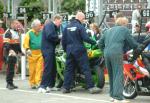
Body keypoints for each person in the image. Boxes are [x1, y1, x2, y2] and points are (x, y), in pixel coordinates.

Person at [98, 17, 138, 103]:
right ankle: (118, 97)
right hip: (116, 53)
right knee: (118, 74)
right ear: (123, 24)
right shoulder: (124, 30)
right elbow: (133, 43)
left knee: (111, 74)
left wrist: (104, 51)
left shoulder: (108, 30)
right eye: (126, 24)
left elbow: (100, 43)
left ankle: (112, 96)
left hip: (106, 53)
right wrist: (139, 47)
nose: (126, 26)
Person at [61, 11, 101, 94]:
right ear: (80, 18)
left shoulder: (67, 27)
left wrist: (66, 50)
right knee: (86, 68)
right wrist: (95, 42)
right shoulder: (80, 27)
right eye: (83, 19)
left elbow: (63, 41)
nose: (83, 20)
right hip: (79, 50)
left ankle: (65, 87)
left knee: (68, 69)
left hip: (69, 51)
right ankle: (91, 87)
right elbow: (86, 38)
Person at [38, 15, 62, 93]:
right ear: (56, 19)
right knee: (48, 68)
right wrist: (58, 37)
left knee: (53, 68)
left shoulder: (54, 27)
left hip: (50, 49)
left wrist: (58, 38)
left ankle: (51, 85)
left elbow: (54, 39)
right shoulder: (49, 25)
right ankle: (42, 86)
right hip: (47, 49)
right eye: (60, 21)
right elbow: (50, 36)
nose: (60, 23)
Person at [23, 19, 43, 89]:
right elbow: (25, 43)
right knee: (32, 69)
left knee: (39, 68)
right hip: (32, 54)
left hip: (40, 53)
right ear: (34, 26)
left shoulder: (42, 32)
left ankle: (38, 82)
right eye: (39, 26)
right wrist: (28, 49)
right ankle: (32, 83)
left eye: (40, 25)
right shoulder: (29, 33)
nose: (40, 27)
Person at [3, 19, 23, 90]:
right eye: (16, 23)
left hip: (14, 53)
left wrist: (20, 52)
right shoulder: (8, 33)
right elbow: (6, 44)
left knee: (12, 69)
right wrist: (11, 51)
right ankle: (9, 83)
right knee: (10, 69)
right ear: (11, 24)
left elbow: (17, 44)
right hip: (10, 53)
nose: (18, 25)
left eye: (18, 23)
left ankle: (11, 83)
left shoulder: (15, 32)